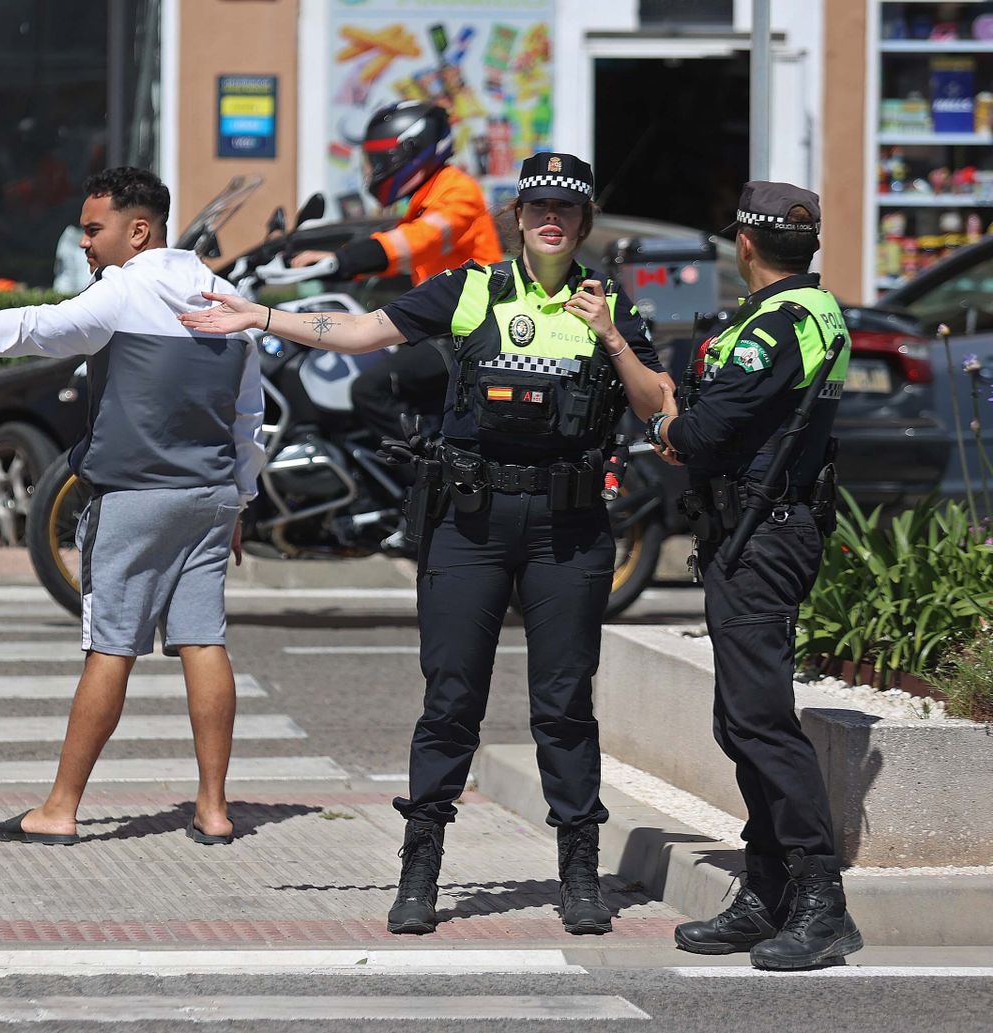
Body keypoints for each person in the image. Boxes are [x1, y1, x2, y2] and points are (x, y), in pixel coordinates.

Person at [180, 152, 672, 936]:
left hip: (568, 530)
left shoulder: (607, 302)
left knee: (564, 706)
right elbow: (362, 331)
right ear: (518, 217)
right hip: (469, 526)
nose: (552, 220)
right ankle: (421, 868)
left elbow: (657, 403)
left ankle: (580, 871)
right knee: (449, 702)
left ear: (582, 224)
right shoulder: (470, 287)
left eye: (567, 211)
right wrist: (260, 316)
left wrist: (611, 336)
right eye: (538, 207)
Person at [0, 167, 265, 846]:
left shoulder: (124, 289)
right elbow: (248, 415)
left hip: (135, 496)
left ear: (137, 230)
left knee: (110, 649)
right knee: (204, 640)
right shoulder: (229, 296)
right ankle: (213, 808)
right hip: (209, 496)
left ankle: (60, 806)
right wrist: (242, 497)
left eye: (94, 228)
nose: (84, 242)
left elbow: (38, 327)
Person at [650, 182, 864, 971]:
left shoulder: (769, 326)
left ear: (745, 244)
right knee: (739, 718)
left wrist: (662, 423)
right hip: (768, 527)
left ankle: (821, 900)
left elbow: (704, 431)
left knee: (762, 722)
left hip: (762, 532)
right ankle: (769, 886)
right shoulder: (818, 310)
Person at [291, 101, 504, 444]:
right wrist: (332, 263)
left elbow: (416, 242)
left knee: (369, 390)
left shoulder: (458, 191)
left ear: (411, 151)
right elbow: (397, 252)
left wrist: (342, 261)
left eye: (380, 158)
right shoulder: (427, 197)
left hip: (471, 333)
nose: (375, 168)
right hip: (439, 326)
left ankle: (424, 479)